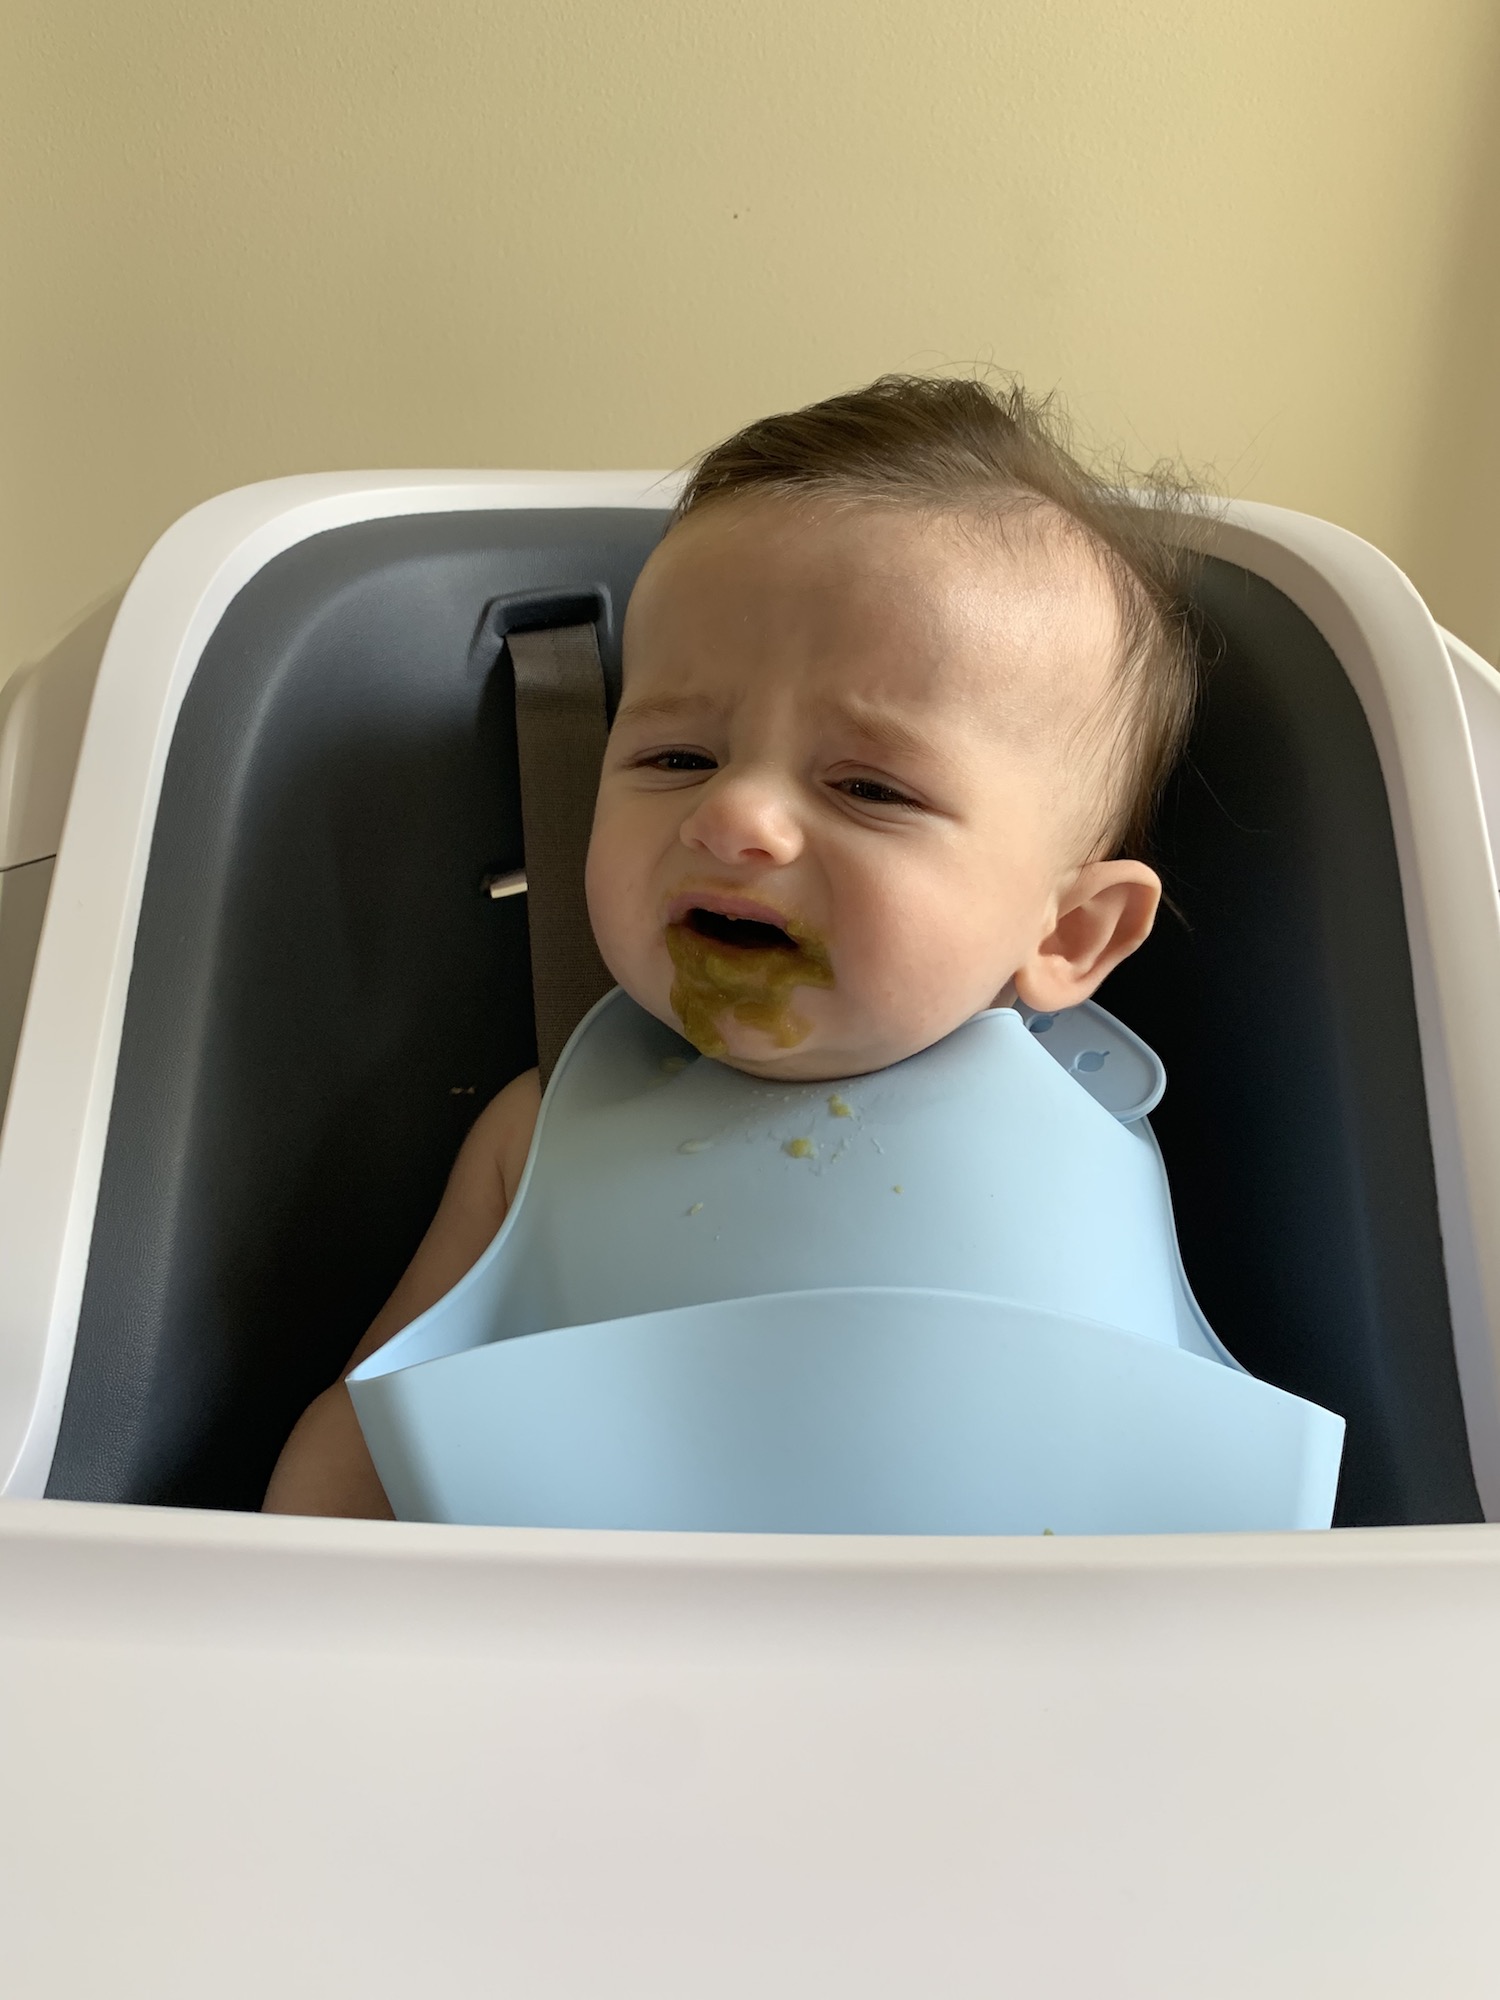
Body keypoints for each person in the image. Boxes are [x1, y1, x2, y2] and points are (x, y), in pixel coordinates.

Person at [262, 372, 1203, 1519]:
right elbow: (370, 1436)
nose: (735, 815)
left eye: (868, 786)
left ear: (1069, 931)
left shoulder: (1087, 1145)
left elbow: (1209, 1490)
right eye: (678, 758)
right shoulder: (544, 1129)